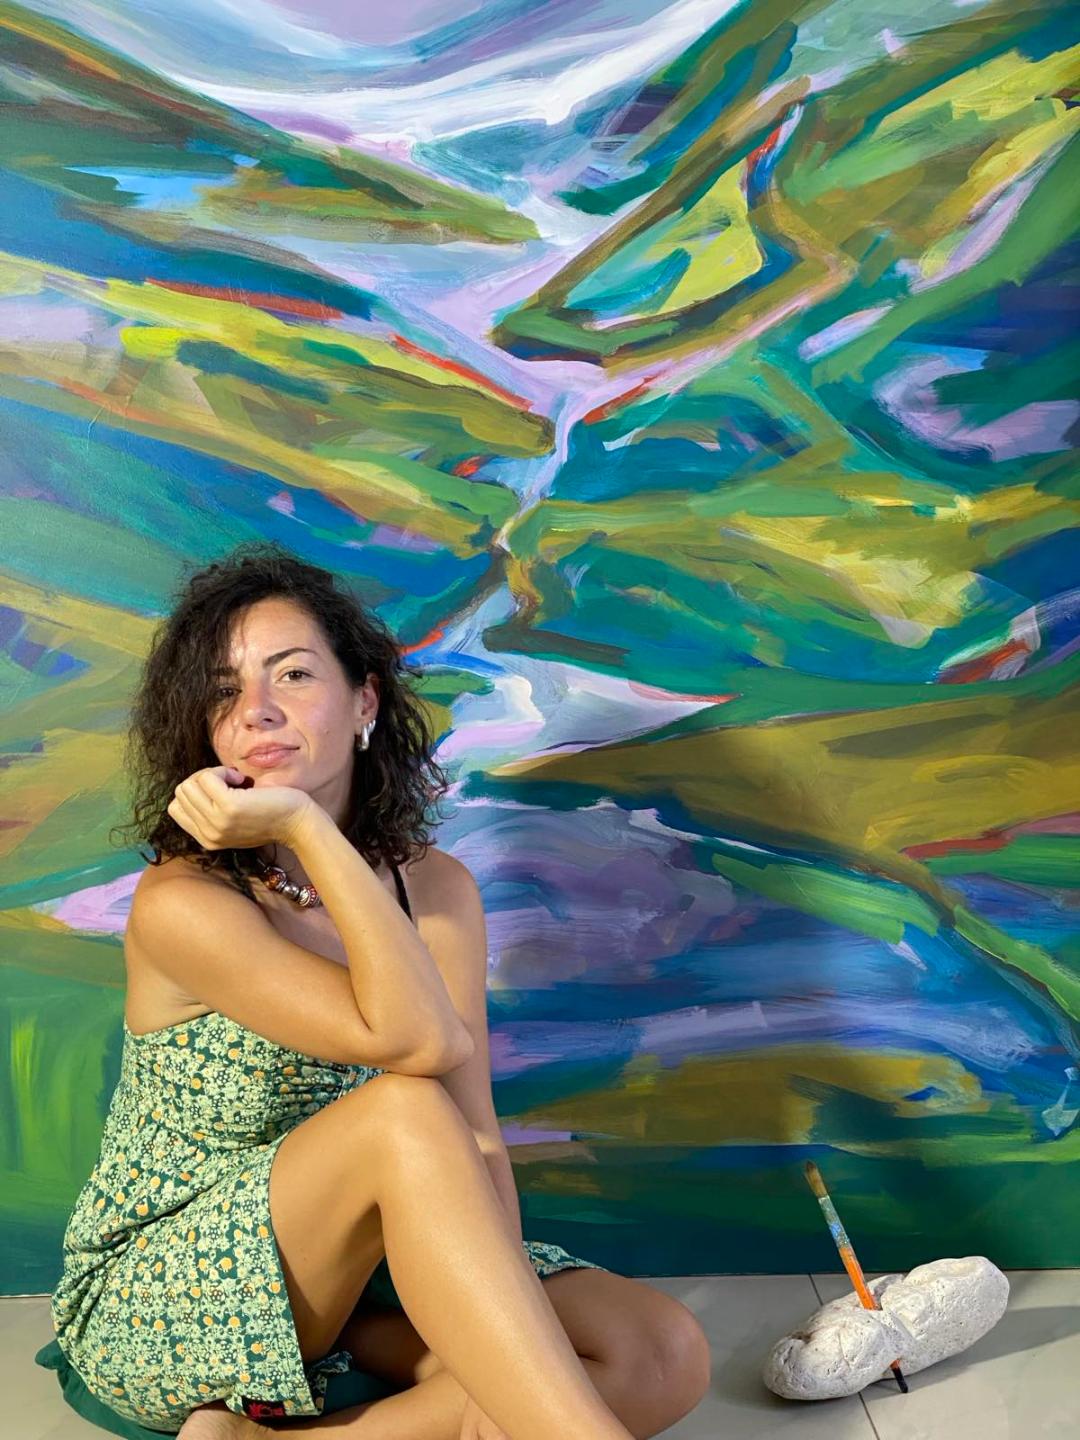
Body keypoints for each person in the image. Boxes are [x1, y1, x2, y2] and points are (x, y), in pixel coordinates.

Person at [47, 542, 711, 1440]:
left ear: (364, 701)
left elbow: (475, 1129)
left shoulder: (435, 889)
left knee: (659, 1352)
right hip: (169, 1289)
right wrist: (301, 822)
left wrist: (499, 1309)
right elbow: (417, 1045)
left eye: (292, 674)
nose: (258, 710)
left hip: (373, 1275)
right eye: (224, 691)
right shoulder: (186, 905)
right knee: (405, 1109)